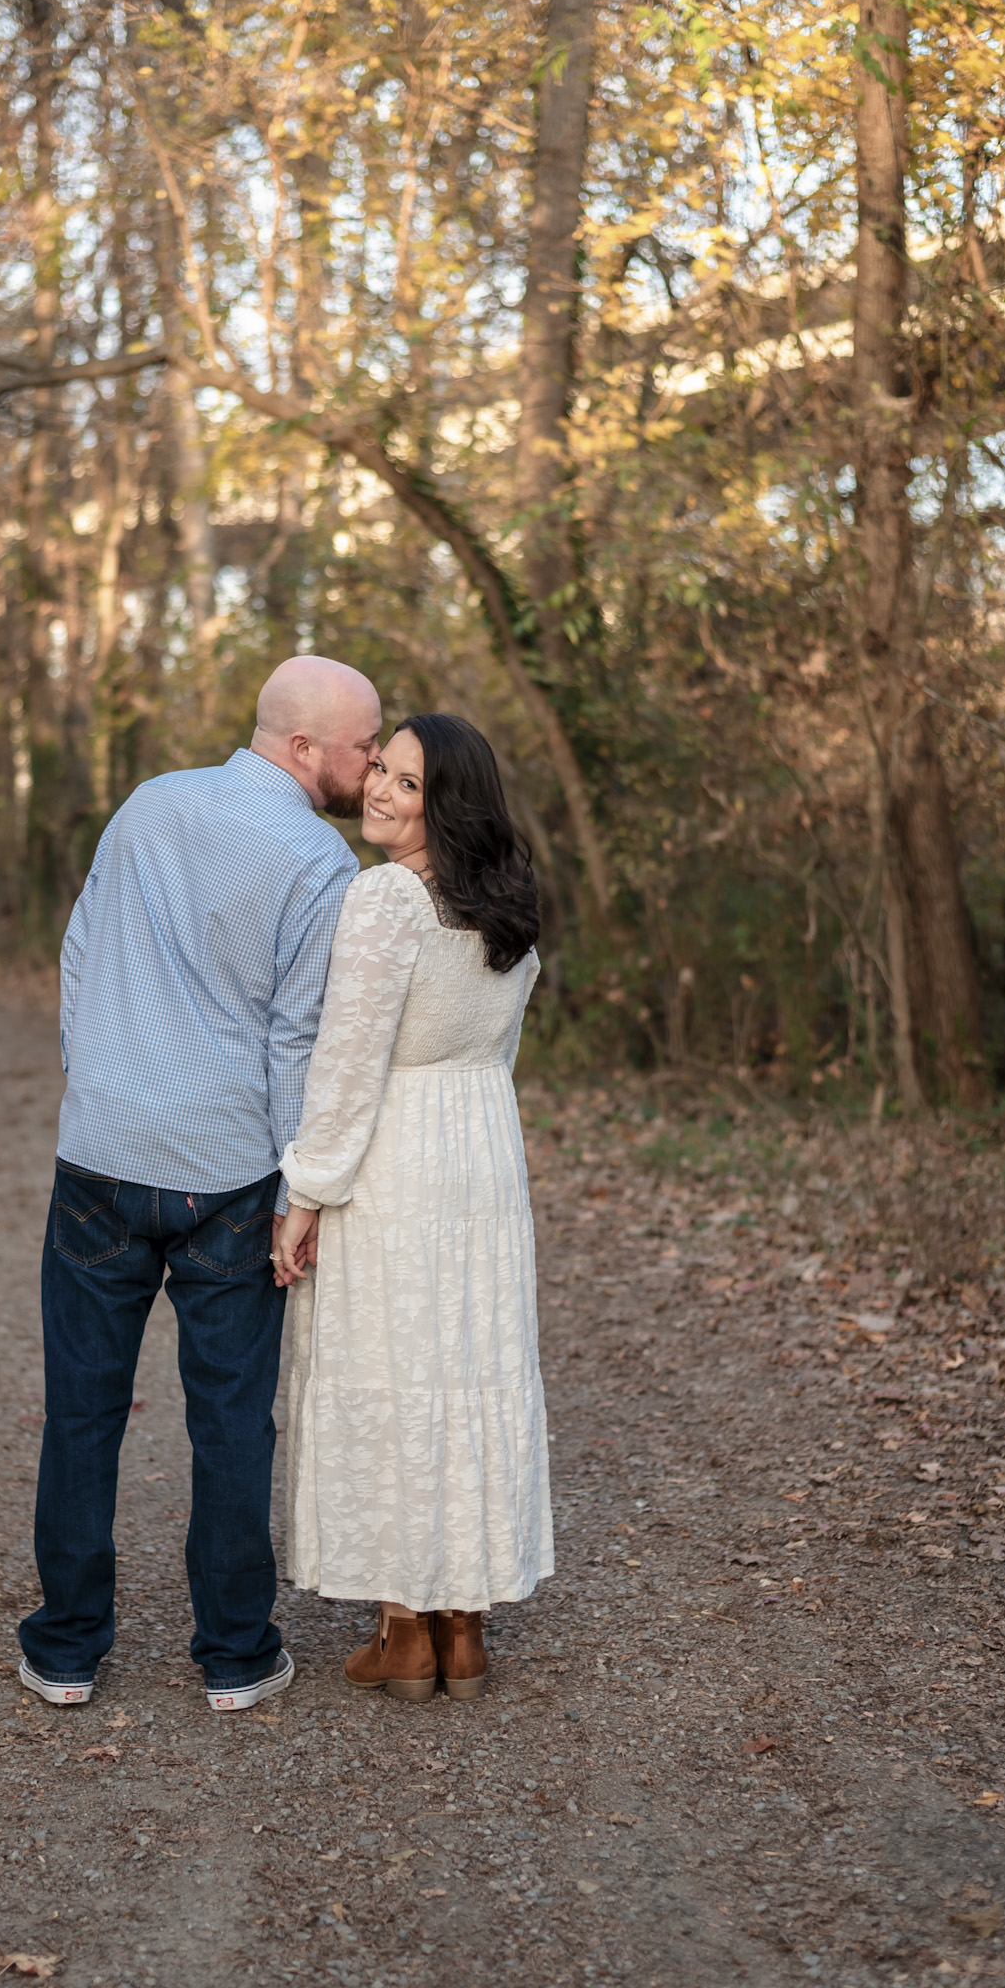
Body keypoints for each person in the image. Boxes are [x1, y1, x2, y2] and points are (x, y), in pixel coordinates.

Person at [18, 656, 382, 1712]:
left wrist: (94, 1081)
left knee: (81, 1409)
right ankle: (233, 1654)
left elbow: (79, 953)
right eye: (363, 743)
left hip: (98, 1149)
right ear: (305, 746)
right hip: (227, 1169)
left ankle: (65, 1649)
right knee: (230, 1418)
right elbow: (294, 1035)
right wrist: (293, 1185)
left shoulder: (149, 801)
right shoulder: (319, 859)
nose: (372, 760)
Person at [274, 713, 551, 1701]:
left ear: (447, 800)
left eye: (404, 780)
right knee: (469, 1364)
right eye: (379, 770)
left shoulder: (387, 898)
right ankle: (463, 1628)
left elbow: (346, 1062)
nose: (380, 792)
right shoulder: (510, 904)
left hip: (396, 1153)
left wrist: (306, 1190)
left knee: (392, 1364)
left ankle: (404, 1630)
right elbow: (498, 1047)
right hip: (481, 1145)